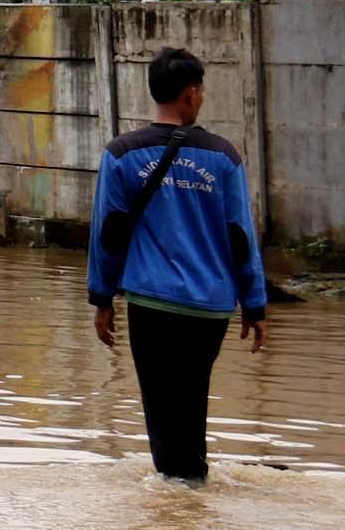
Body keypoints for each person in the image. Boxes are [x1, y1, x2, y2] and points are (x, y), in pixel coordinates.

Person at [87, 46, 268, 483]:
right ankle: (192, 489)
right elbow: (241, 236)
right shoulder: (224, 157)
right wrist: (255, 304)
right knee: (192, 399)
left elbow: (107, 233)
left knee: (160, 406)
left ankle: (177, 496)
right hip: (210, 308)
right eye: (201, 90)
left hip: (153, 303)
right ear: (190, 93)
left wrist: (102, 298)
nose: (201, 97)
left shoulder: (122, 154)